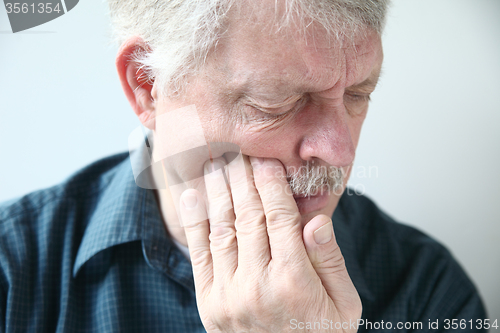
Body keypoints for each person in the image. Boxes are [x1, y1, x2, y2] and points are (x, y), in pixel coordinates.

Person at [0, 0, 488, 332]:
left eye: (359, 94)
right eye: (276, 102)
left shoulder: (427, 290)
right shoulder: (13, 274)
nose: (339, 151)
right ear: (148, 83)